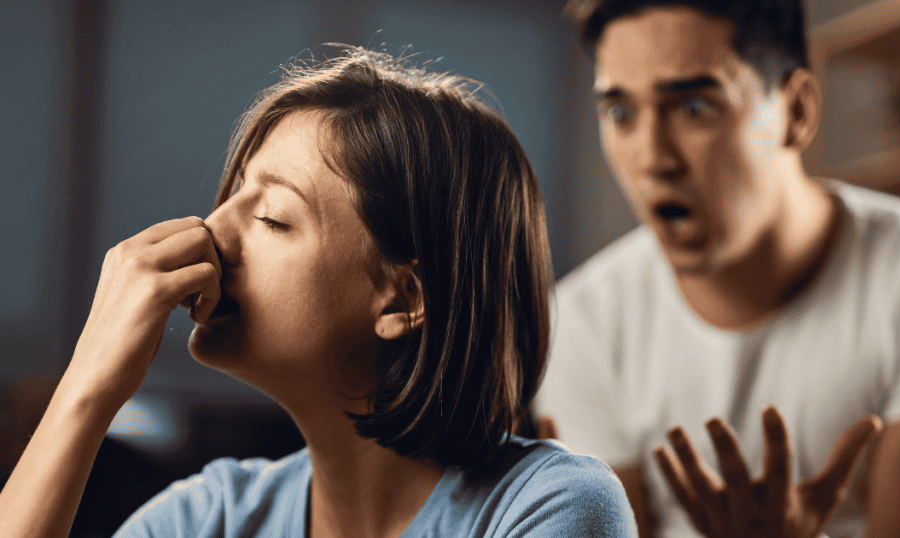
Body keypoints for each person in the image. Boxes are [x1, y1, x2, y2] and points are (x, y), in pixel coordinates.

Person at [0, 47, 637, 538]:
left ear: (403, 299)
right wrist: (87, 388)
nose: (209, 230)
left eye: (272, 217)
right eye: (232, 196)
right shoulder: (213, 515)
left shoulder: (547, 507)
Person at [534, 0, 900, 537]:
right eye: (621, 113)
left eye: (694, 107)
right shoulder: (583, 322)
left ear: (796, 111)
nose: (653, 158)